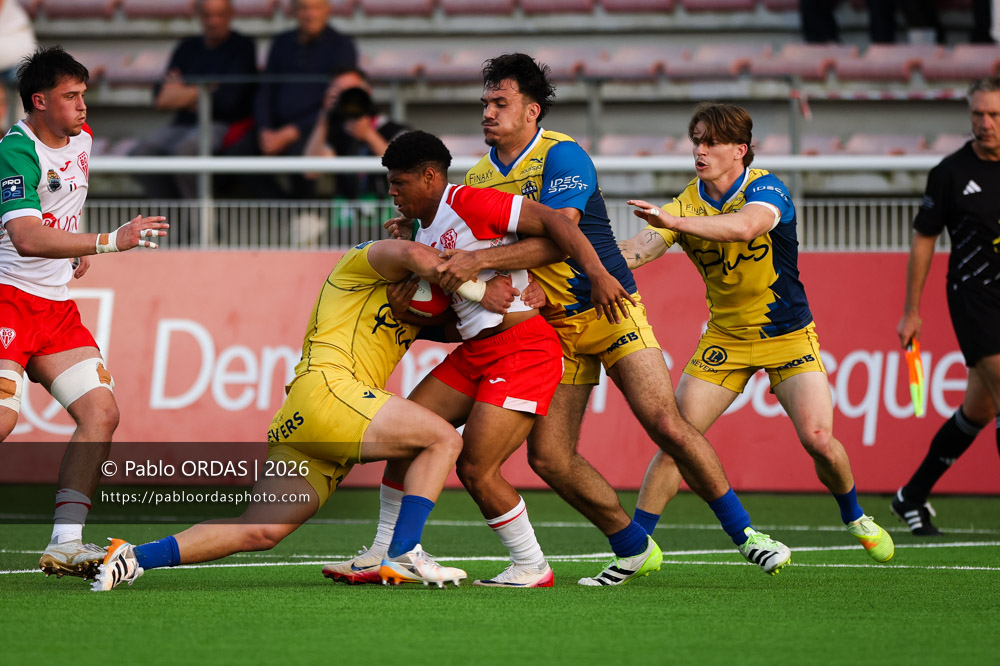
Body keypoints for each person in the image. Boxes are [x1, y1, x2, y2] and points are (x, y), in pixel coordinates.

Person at [380, 54, 792, 584]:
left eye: (500, 103)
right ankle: (631, 546)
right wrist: (418, 232)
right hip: (552, 328)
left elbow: (558, 236)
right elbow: (465, 241)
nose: (488, 112)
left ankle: (747, 536)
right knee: (549, 458)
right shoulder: (481, 176)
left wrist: (482, 260)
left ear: (531, 111)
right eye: (484, 102)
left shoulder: (564, 155)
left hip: (610, 308)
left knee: (666, 423)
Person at [91, 236, 512, 591]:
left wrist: (529, 301)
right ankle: (402, 552)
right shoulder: (360, 264)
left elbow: (472, 328)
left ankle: (131, 556)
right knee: (443, 438)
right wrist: (480, 288)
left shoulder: (412, 304)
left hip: (306, 418)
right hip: (330, 390)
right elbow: (414, 255)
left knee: (260, 530)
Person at [619, 102, 895, 564]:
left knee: (819, 440)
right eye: (696, 141)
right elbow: (636, 251)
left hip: (788, 334)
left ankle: (854, 515)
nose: (700, 151)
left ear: (740, 150)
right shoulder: (686, 201)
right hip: (725, 339)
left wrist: (676, 223)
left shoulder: (767, 188)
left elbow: (747, 226)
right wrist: (576, 257)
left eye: (711, 142)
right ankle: (636, 548)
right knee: (676, 439)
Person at [0, 46, 169, 579]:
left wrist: (73, 248)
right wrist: (107, 243)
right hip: (6, 297)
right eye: (71, 97)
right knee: (3, 419)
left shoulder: (82, 142)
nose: (82, 107)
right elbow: (25, 238)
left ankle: (66, 542)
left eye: (84, 95)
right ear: (39, 101)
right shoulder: (15, 150)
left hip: (54, 309)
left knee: (101, 413)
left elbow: (61, 207)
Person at [892, 77, 1000, 535]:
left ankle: (910, 496)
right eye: (978, 114)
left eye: (994, 114)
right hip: (975, 299)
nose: (985, 123)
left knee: (979, 410)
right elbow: (924, 242)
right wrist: (911, 310)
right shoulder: (950, 172)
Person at [130, 0, 258, 201]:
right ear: (198, 15)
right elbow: (161, 97)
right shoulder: (187, 47)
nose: (213, 21)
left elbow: (228, 101)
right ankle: (171, 217)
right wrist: (206, 89)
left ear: (231, 15)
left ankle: (200, 222)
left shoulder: (242, 46)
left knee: (186, 152)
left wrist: (182, 92)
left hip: (221, 125)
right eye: (207, 15)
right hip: (183, 125)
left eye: (219, 15)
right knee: (140, 155)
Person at [250, 0, 357, 198]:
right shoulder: (281, 42)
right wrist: (264, 129)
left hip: (320, 127)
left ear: (327, 11)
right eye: (305, 8)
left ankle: (304, 213)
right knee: (239, 155)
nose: (311, 14)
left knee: (304, 156)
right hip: (275, 129)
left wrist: (294, 131)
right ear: (293, 11)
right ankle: (284, 210)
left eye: (316, 8)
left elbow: (338, 100)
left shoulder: (342, 45)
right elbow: (265, 90)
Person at [303, 66, 409, 201]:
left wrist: (369, 135)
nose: (349, 97)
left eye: (353, 90)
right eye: (341, 92)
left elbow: (406, 169)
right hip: (345, 217)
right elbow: (310, 171)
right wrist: (324, 117)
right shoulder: (335, 133)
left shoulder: (393, 129)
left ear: (368, 92)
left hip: (387, 214)